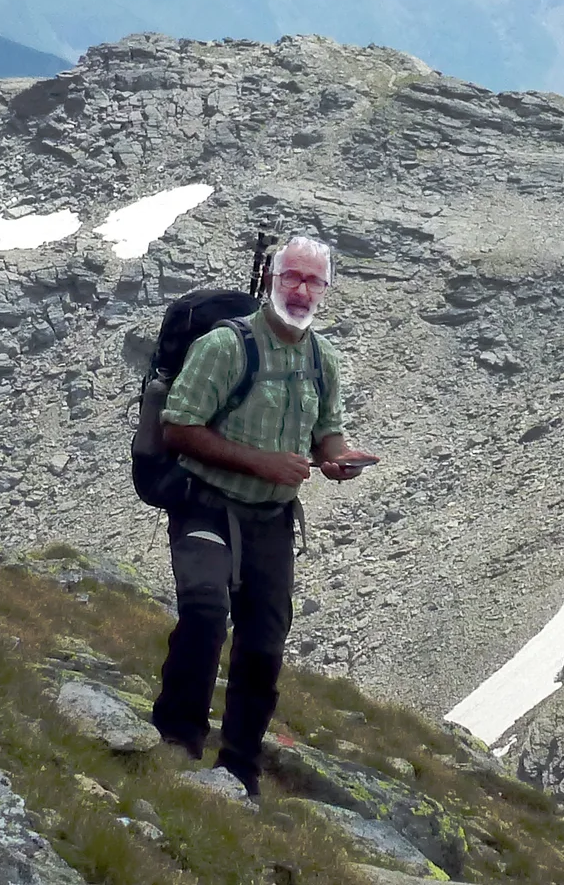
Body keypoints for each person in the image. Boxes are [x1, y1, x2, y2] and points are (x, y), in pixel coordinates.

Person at [149, 234, 379, 795]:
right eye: (291, 277)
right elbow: (177, 428)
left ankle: (241, 771)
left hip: (271, 520)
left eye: (313, 281)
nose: (301, 290)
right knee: (205, 611)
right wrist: (263, 464)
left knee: (264, 642)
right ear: (272, 279)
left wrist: (337, 458)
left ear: (326, 289)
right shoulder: (224, 348)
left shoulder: (324, 359)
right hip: (204, 501)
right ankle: (176, 743)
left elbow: (326, 431)